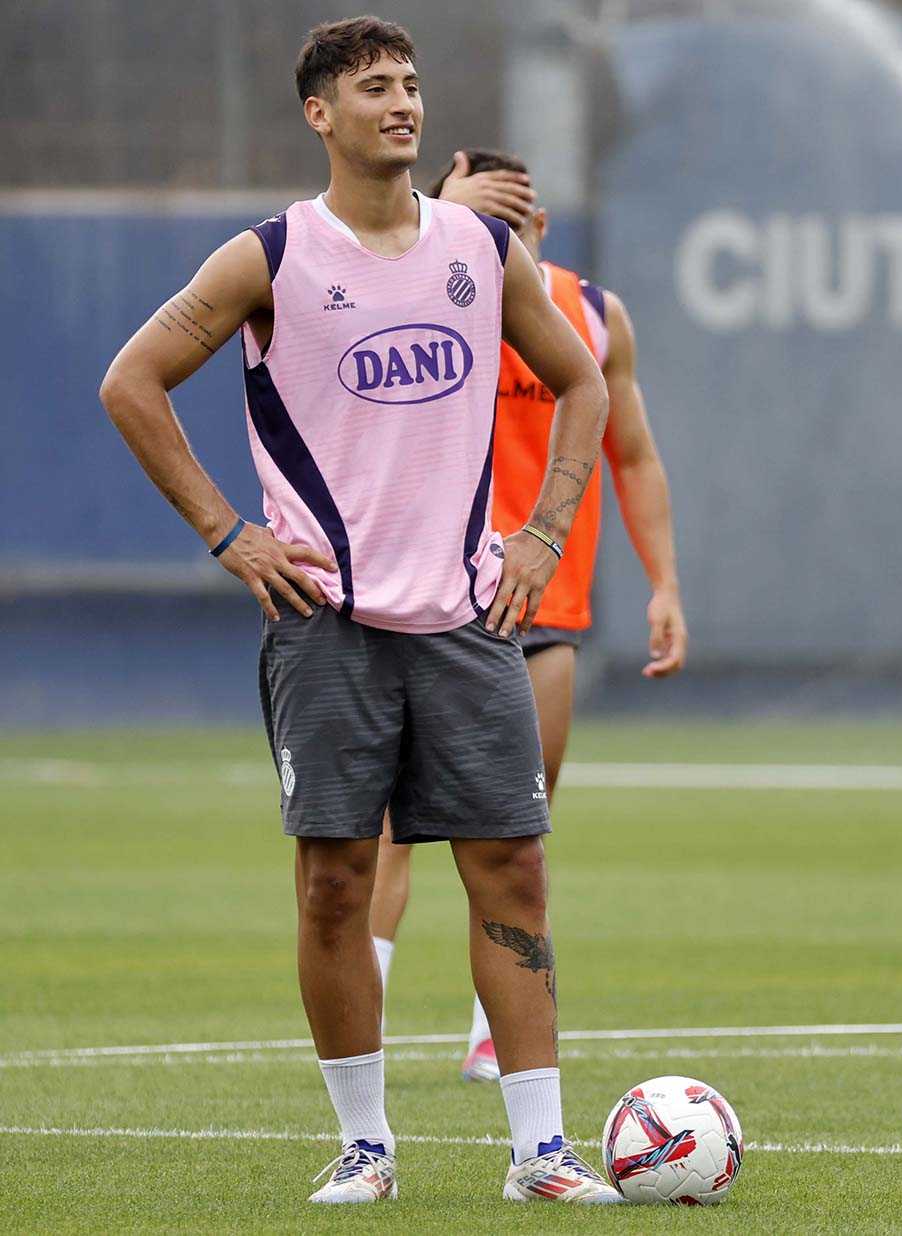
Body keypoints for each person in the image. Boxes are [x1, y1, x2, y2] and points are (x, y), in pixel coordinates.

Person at [99, 15, 621, 1207]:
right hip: (325, 624)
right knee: (334, 881)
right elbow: (132, 382)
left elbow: (583, 381)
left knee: (513, 870)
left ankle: (540, 1154)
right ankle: (366, 1146)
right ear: (319, 114)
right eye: (375, 87)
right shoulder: (272, 256)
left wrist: (542, 532)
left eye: (411, 84)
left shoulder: (482, 248)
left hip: (468, 621)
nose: (403, 104)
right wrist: (228, 532)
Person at [370, 149, 688, 1083]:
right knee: (382, 833)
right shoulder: (420, 290)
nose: (496, 239)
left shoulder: (590, 314)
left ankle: (489, 1034)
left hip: (542, 604)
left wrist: (664, 583)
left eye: (512, 224)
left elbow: (633, 454)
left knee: (515, 829)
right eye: (477, 220)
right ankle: (365, 1020)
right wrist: (435, 213)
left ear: (540, 226)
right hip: (423, 595)